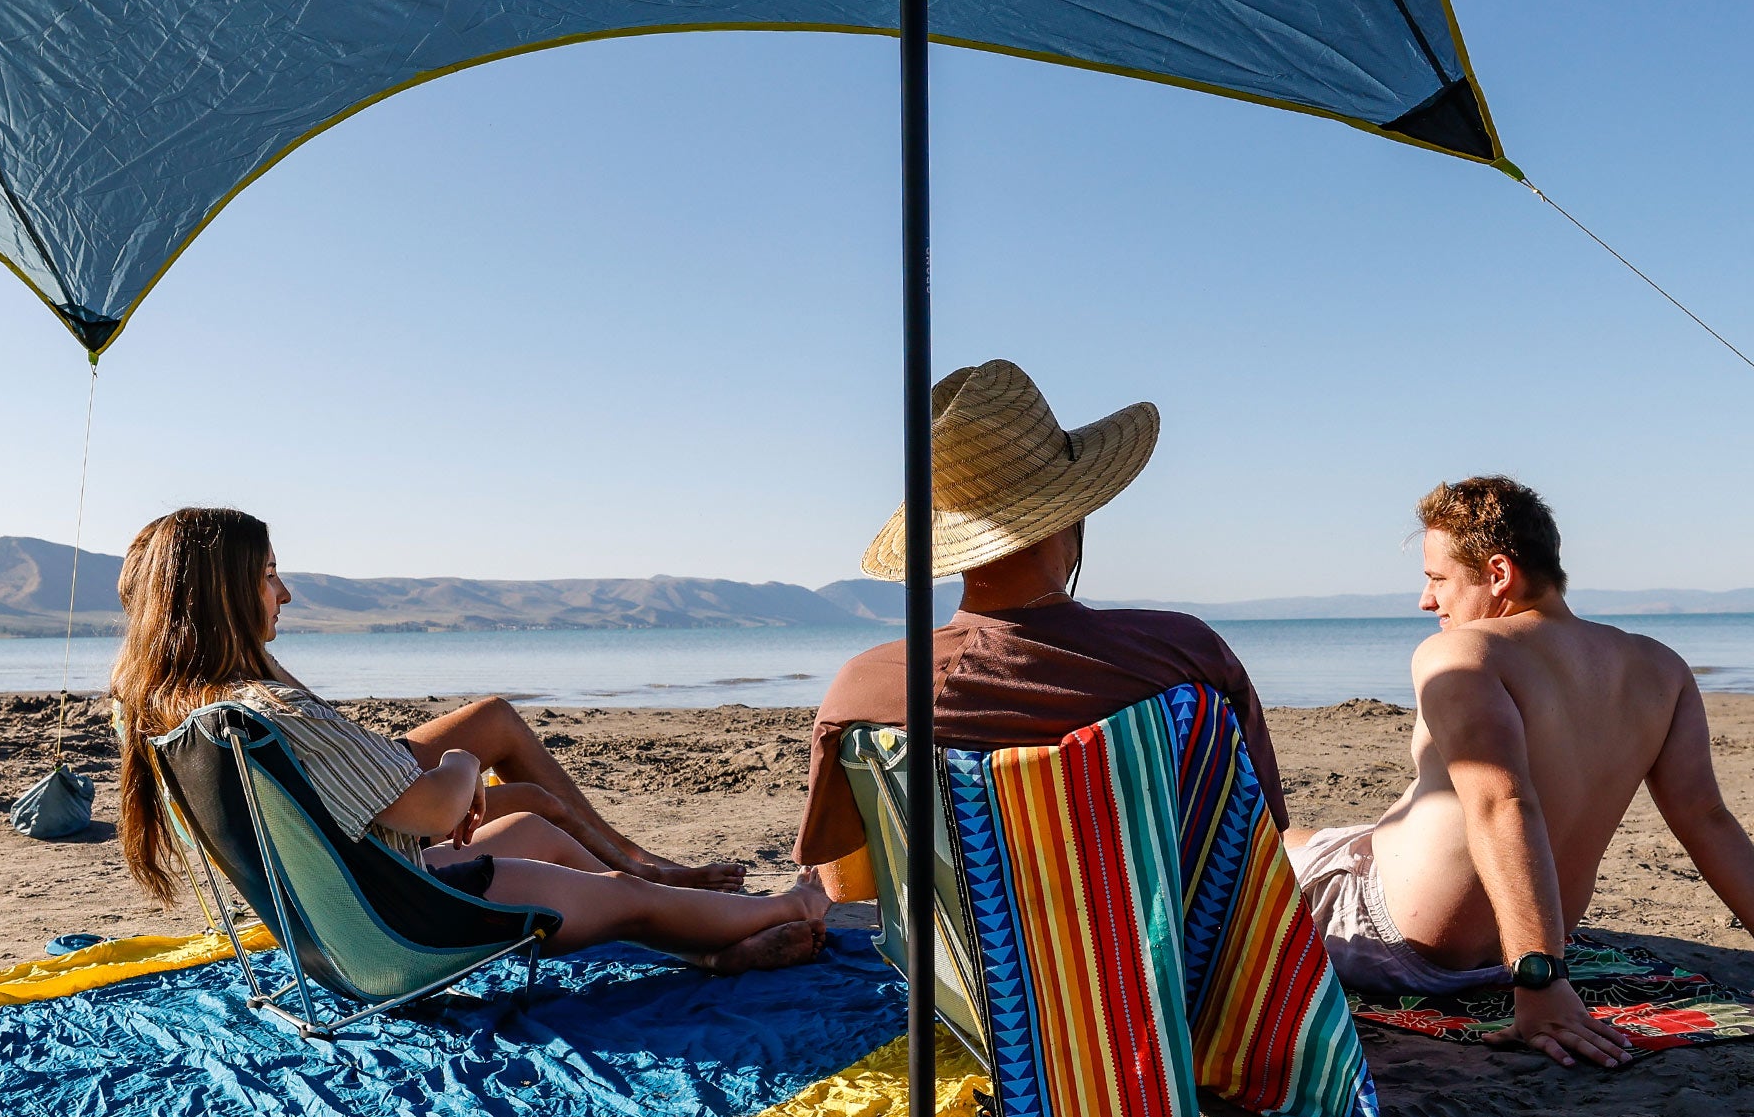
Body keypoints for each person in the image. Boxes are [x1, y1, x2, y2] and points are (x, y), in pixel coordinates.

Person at [112, 507, 824, 972]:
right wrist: (460, 763)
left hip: (336, 933)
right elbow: (432, 812)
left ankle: (705, 948)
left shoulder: (179, 713)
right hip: (408, 927)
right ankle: (787, 908)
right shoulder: (269, 711)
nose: (286, 594)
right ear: (224, 594)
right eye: (269, 577)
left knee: (532, 830)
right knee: (617, 894)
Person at [1284, 476, 1754, 1070]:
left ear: (1499, 573)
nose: (1428, 602)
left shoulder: (1464, 653)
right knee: (1321, 840)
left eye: (1437, 579)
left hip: (1405, 938)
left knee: (1263, 848)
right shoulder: (1661, 667)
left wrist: (1539, 981)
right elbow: (1706, 819)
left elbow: (1503, 804)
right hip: (1534, 931)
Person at [794, 361, 1288, 894]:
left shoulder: (871, 688)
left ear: (950, 542)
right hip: (1164, 966)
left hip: (977, 974)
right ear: (1073, 519)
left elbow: (849, 887)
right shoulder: (1188, 655)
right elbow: (1259, 834)